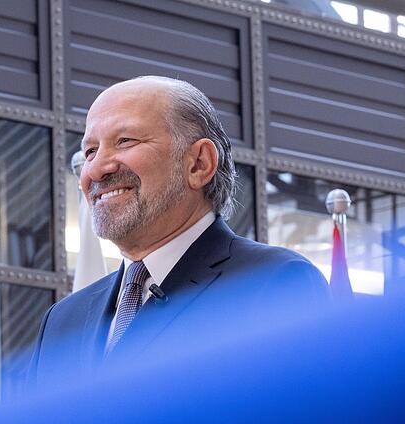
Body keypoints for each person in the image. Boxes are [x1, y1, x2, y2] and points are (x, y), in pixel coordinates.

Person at [29, 76, 330, 388]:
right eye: (90, 150)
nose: (95, 169)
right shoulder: (62, 321)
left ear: (199, 163)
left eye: (126, 141)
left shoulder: (272, 284)